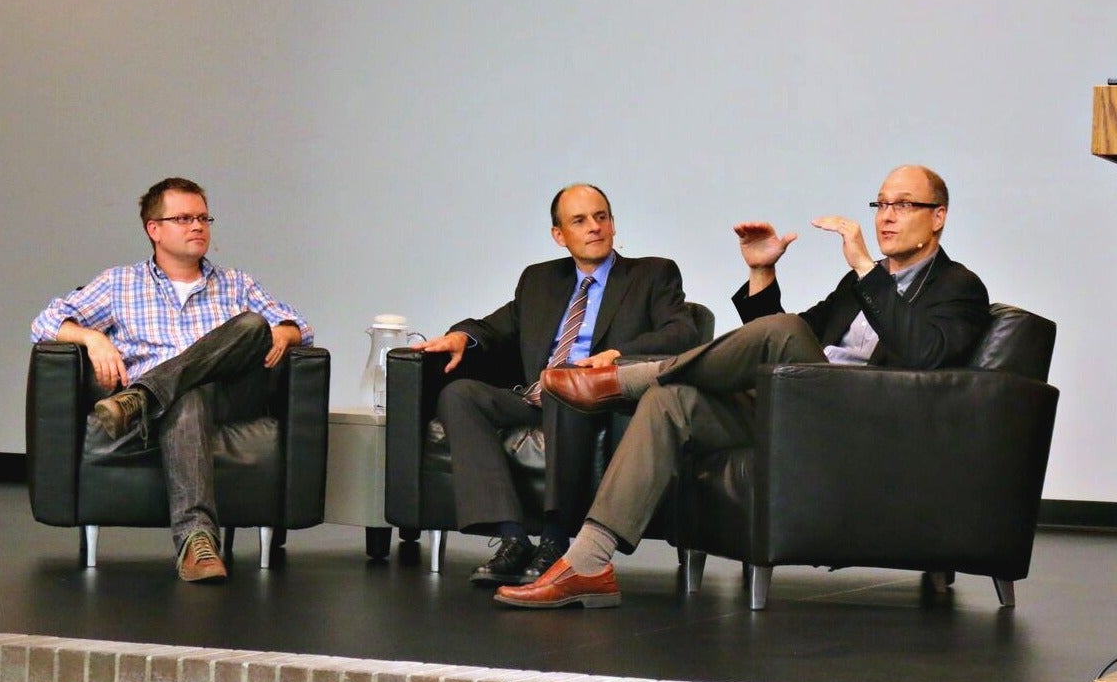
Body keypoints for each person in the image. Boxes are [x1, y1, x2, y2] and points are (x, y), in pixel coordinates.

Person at [495, 164, 991, 609]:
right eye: (882, 204)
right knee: (672, 400)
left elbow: (925, 355)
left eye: (903, 205)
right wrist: (762, 272)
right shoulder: (859, 286)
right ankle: (588, 563)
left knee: (771, 336)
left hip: (861, 422)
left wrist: (864, 267)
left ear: (938, 216)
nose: (887, 216)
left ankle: (624, 379)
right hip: (800, 407)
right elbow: (786, 335)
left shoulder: (958, 287)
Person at [410, 184, 700, 587]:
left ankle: (554, 538)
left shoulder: (652, 274)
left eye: (602, 217)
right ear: (559, 235)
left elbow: (683, 332)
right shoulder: (540, 280)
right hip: (536, 395)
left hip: (597, 398)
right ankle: (511, 537)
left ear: (614, 225)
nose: (594, 227)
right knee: (459, 395)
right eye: (579, 221)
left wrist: (618, 353)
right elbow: (497, 327)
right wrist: (462, 336)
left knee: (565, 386)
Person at [30, 177, 313, 583]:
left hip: (230, 398)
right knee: (186, 396)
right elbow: (45, 321)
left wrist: (282, 333)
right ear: (154, 229)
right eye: (183, 218)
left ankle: (143, 397)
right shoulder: (119, 283)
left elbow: (297, 323)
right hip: (185, 406)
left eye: (202, 217)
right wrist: (92, 337)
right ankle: (197, 542)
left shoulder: (237, 283)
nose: (197, 226)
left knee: (252, 325)